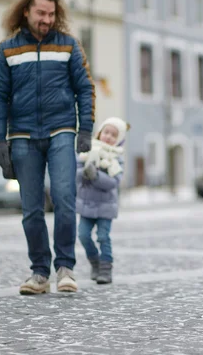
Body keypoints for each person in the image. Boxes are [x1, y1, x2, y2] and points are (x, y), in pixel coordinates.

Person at [0, 0, 95, 294]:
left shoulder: (68, 46)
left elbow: (85, 88)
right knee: (31, 209)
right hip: (21, 136)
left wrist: (84, 129)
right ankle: (39, 273)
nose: (47, 19)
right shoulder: (7, 49)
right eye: (41, 13)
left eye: (51, 14)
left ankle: (65, 268)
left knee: (63, 198)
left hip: (61, 130)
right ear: (26, 12)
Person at [76, 117, 129, 284]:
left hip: (106, 205)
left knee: (103, 237)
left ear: (118, 140)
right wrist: (85, 171)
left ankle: (106, 268)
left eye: (114, 135)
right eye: (106, 132)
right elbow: (76, 174)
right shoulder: (86, 152)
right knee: (83, 235)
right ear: (99, 133)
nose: (109, 137)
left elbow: (113, 182)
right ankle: (95, 262)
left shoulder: (116, 158)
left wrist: (95, 175)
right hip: (86, 204)